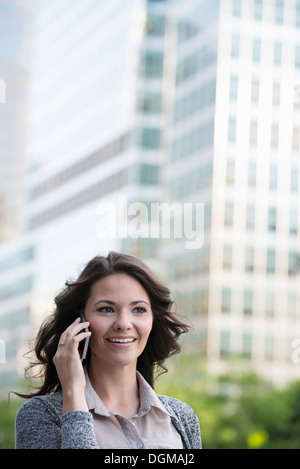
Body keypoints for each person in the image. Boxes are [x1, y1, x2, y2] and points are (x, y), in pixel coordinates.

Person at [15, 251, 201, 449]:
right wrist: (73, 393)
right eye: (106, 309)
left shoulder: (181, 416)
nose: (123, 323)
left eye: (138, 309)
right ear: (79, 321)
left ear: (153, 321)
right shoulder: (41, 414)